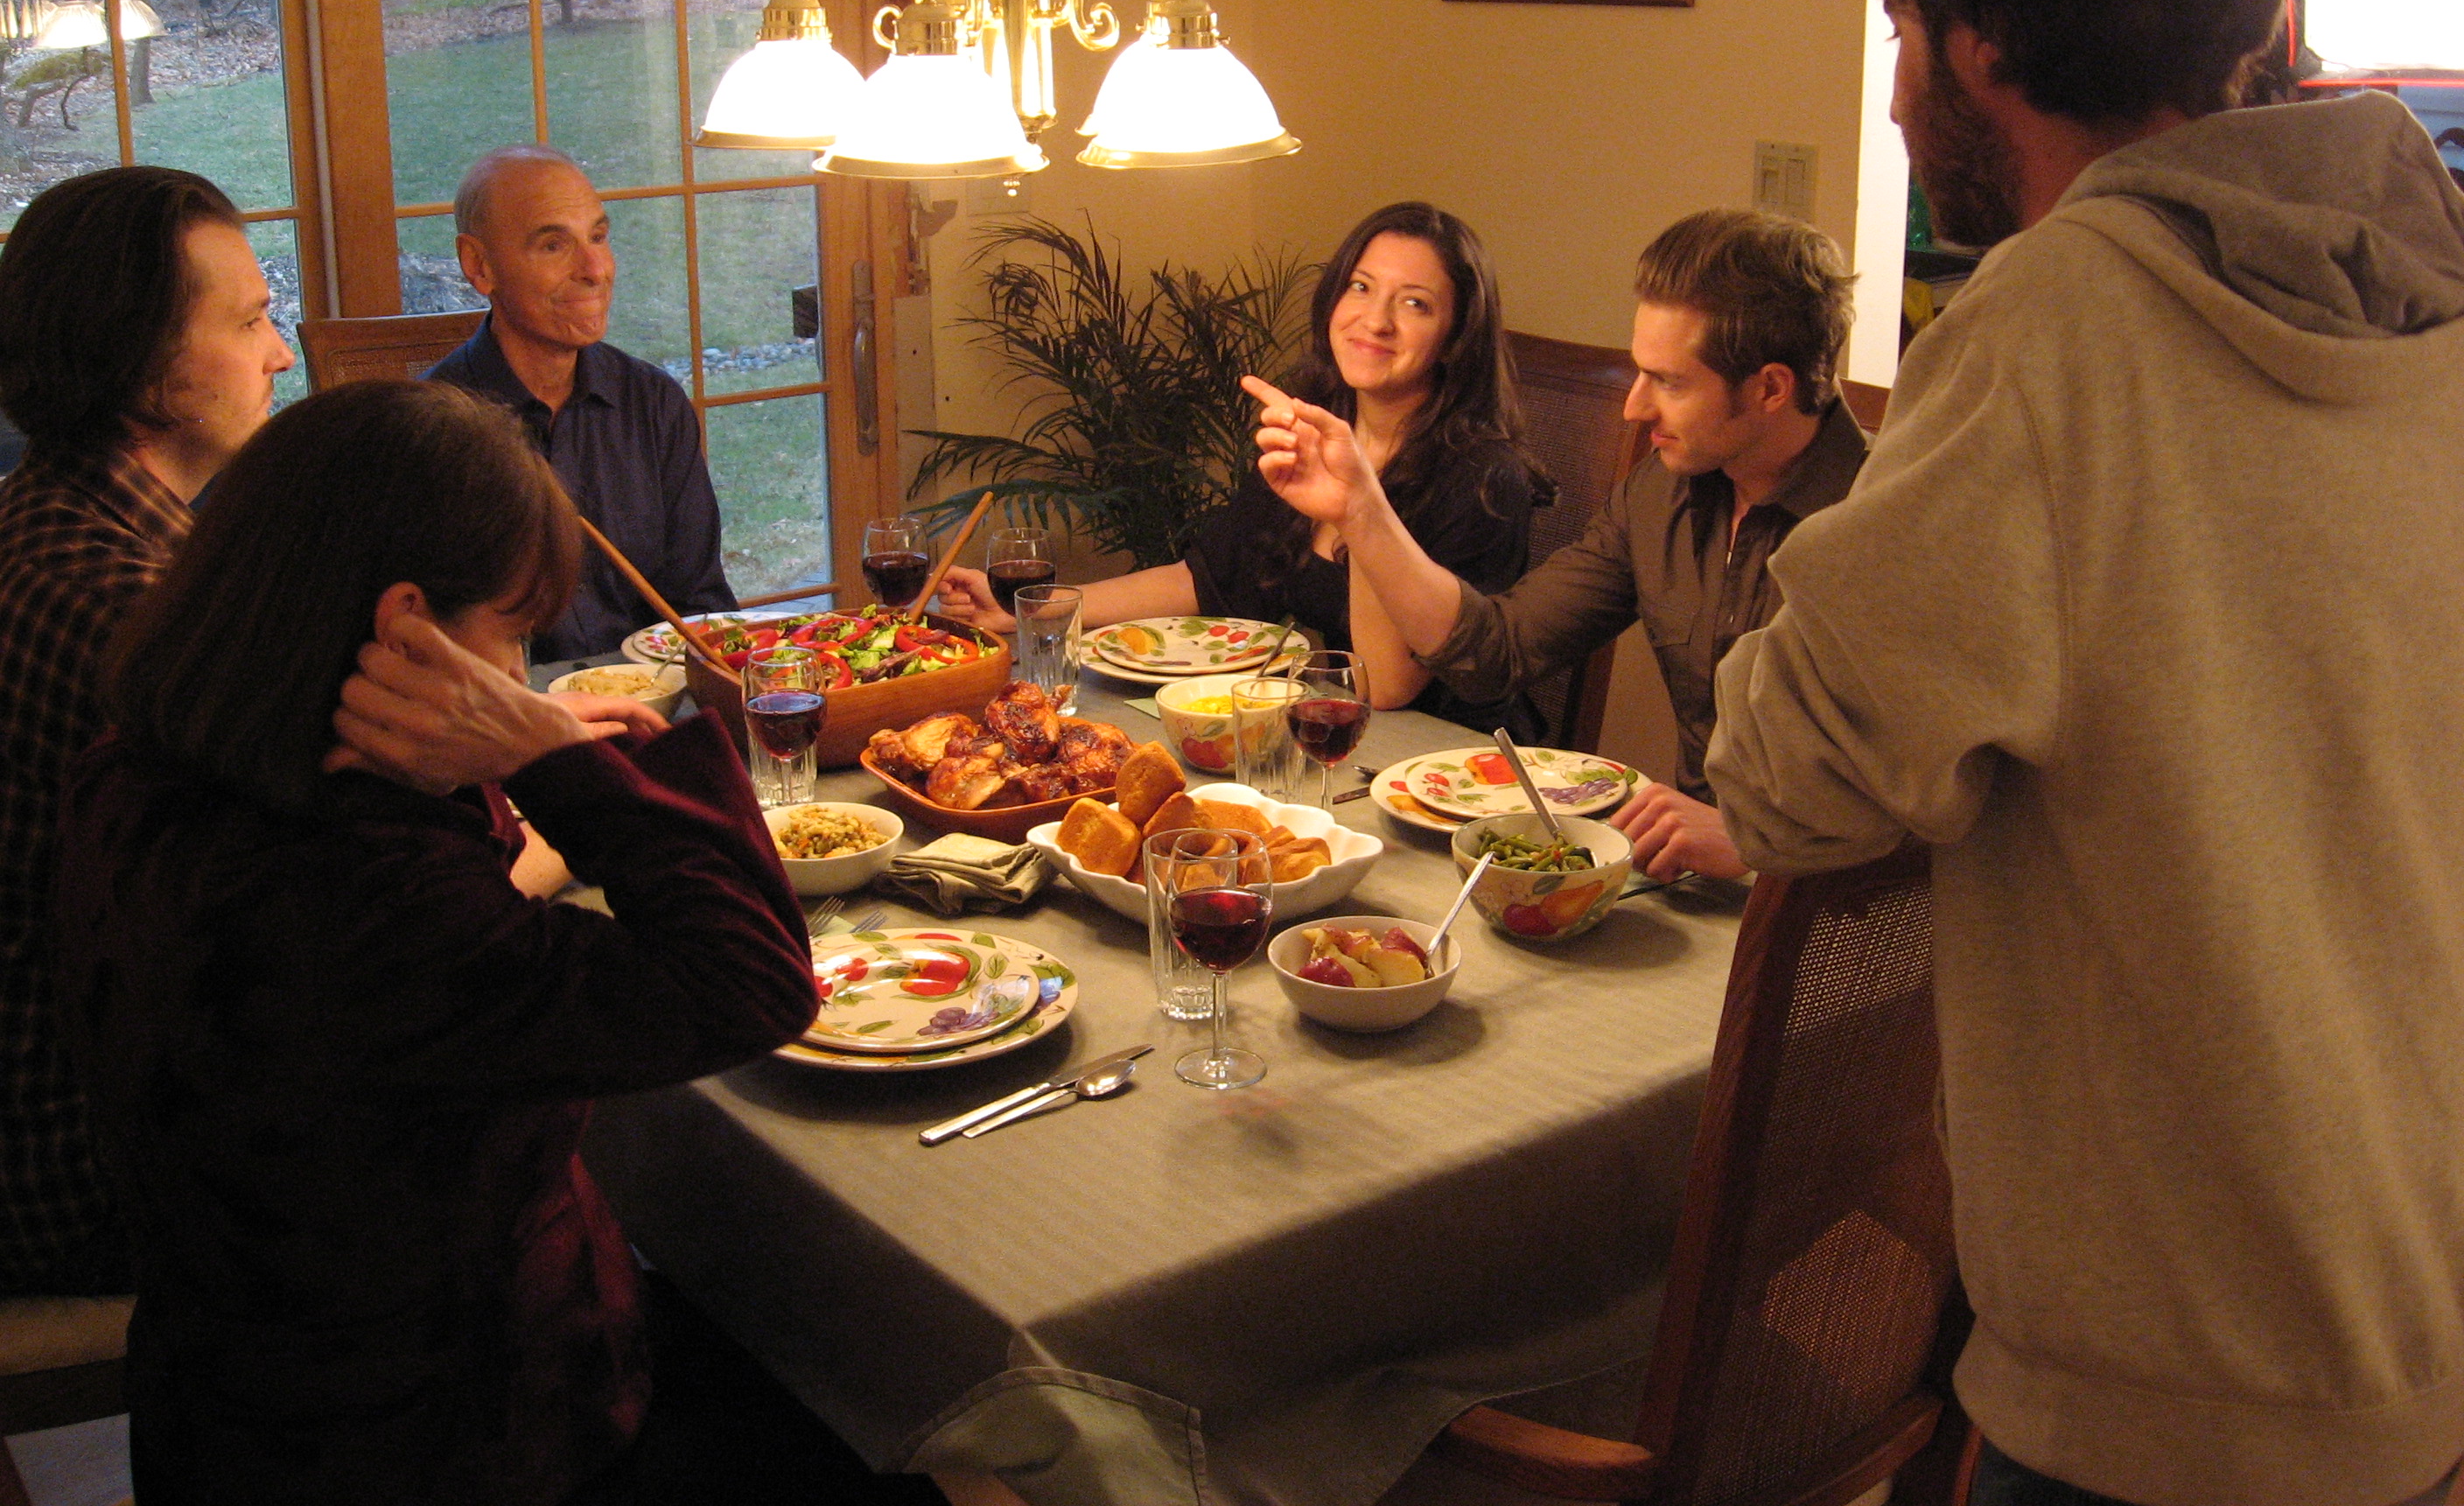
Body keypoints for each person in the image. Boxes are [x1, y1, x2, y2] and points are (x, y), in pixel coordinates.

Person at [1704, 0, 2464, 1506]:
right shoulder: (2428, 306)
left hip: (2170, 1389)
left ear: (1979, 43)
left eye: (1900, 31)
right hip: (2413, 1331)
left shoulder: (2057, 325)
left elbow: (1786, 779)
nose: (1893, 92)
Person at [53, 379, 822, 1503]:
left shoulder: (137, 769)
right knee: (853, 1381)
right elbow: (753, 980)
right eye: (511, 638)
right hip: (460, 1437)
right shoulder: (363, 897)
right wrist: (555, 761)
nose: (519, 678)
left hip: (224, 1406)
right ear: (409, 624)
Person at [1246, 207, 1863, 881]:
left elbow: (1960, 803)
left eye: (1670, 382)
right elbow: (1496, 652)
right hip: (1690, 883)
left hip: (1841, 909)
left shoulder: (1889, 530)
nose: (1634, 408)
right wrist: (1362, 510)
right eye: (1639, 372)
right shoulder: (1661, 494)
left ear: (1771, 388)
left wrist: (1754, 846)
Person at [0, 165, 293, 1298]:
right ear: (149, 368)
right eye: (253, 321)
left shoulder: (52, 513)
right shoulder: (118, 604)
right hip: (78, 1164)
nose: (280, 354)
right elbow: (306, 913)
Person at [940, 202, 1549, 723]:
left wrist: (1356, 505)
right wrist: (1039, 607)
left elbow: (1384, 687)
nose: (1376, 320)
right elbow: (1208, 575)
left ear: (1456, 332)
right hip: (1322, 729)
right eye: (1360, 287)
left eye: (1414, 304)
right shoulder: (1314, 420)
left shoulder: (1485, 478)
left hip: (1442, 766)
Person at [430, 144, 735, 662]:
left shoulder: (654, 404)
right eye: (554, 245)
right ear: (479, 267)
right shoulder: (435, 433)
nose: (596, 269)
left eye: (598, 236)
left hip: (661, 710)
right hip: (510, 724)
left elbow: (699, 607)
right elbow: (431, 647)